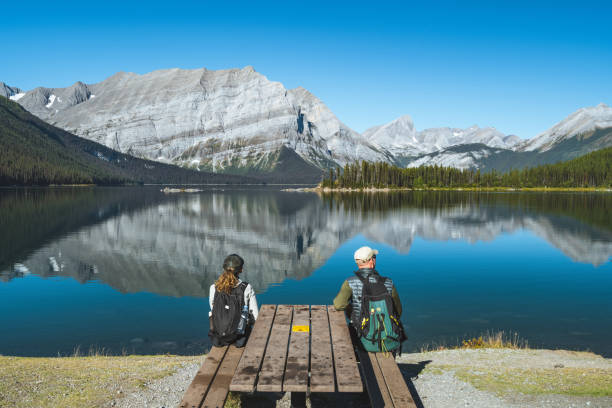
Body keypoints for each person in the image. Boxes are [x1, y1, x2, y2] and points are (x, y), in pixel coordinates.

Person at [333, 246, 404, 354]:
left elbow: (338, 305)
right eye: (374, 257)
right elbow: (398, 311)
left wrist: (352, 311)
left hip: (361, 338)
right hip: (388, 337)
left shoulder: (350, 282)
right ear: (371, 261)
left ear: (358, 263)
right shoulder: (388, 283)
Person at [209, 254, 258, 348]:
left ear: (224, 268)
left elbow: (214, 309)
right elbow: (255, 316)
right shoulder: (246, 288)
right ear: (240, 270)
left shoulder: (213, 287)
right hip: (239, 338)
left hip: (218, 337)